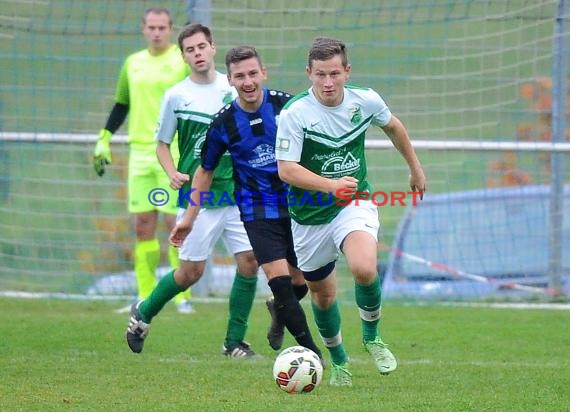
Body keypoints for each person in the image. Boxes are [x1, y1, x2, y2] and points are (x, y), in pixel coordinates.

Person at [275, 37, 427, 386]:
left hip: (353, 203)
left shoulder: (366, 100)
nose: (327, 83)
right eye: (319, 75)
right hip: (309, 214)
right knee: (323, 295)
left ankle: (372, 337)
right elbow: (287, 170)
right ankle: (339, 360)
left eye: (334, 74)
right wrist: (329, 185)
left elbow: (394, 126)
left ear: (347, 71)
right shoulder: (295, 113)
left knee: (363, 267)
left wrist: (415, 168)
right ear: (308, 74)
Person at [169, 45, 323, 360]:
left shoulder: (288, 107)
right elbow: (204, 171)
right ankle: (313, 354)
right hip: (256, 212)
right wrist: (189, 217)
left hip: (296, 207)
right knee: (280, 285)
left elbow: (316, 145)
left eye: (253, 73)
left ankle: (279, 314)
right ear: (231, 81)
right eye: (240, 76)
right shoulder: (223, 123)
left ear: (263, 73)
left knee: (299, 283)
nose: (248, 81)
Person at [125, 24, 267, 358]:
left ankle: (234, 342)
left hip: (237, 191)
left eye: (202, 46)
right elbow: (161, 144)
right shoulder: (177, 95)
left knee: (249, 262)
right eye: (190, 49)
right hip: (198, 198)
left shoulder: (233, 87)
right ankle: (143, 313)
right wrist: (172, 171)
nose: (198, 53)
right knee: (190, 272)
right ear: (183, 55)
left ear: (213, 48)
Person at [93, 7, 193, 314]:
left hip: (172, 153)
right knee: (142, 226)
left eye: (162, 27)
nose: (157, 32)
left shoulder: (182, 61)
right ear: (143, 29)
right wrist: (104, 137)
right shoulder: (132, 63)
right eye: (151, 27)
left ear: (170, 29)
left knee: (174, 223)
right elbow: (122, 103)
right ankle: (144, 295)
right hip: (139, 155)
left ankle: (180, 296)